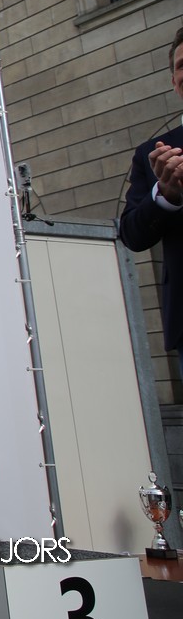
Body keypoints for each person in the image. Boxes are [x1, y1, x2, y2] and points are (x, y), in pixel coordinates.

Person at [120, 26, 183, 383]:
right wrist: (166, 196)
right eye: (181, 65)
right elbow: (131, 233)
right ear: (174, 81)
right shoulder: (154, 154)